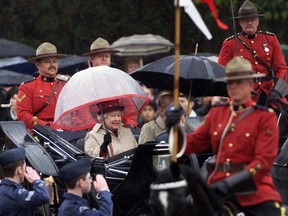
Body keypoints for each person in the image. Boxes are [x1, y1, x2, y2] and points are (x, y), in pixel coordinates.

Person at [166, 56, 284, 215]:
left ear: (250, 84)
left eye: (239, 82)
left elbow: (262, 163)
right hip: (216, 191)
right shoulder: (217, 113)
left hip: (254, 194)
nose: (234, 86)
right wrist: (174, 129)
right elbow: (190, 144)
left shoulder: (264, 117)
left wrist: (230, 184)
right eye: (230, 82)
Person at [218, 0, 288, 106]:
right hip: (244, 94)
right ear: (240, 22)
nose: (249, 22)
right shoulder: (230, 43)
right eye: (245, 20)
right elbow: (220, 71)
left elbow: (281, 68)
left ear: (258, 21)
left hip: (270, 92)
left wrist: (277, 90)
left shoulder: (270, 39)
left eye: (252, 19)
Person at [82, 38, 137, 128]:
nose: (104, 59)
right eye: (100, 56)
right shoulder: (84, 80)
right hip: (94, 128)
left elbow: (129, 105)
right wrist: (93, 127)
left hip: (118, 125)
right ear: (92, 58)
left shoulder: (119, 78)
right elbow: (82, 110)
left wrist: (130, 123)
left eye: (107, 56)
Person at [16, 42, 68, 130]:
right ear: (38, 65)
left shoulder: (65, 86)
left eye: (54, 61)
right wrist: (47, 126)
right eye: (47, 62)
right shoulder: (28, 87)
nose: (52, 65)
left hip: (66, 131)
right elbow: (23, 115)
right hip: (41, 133)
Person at [0, 147, 50, 215]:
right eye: (25, 167)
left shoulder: (3, 190)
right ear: (19, 170)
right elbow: (43, 196)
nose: (25, 170)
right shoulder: (16, 193)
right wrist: (37, 180)